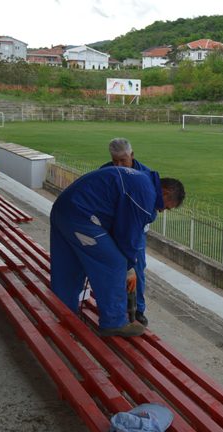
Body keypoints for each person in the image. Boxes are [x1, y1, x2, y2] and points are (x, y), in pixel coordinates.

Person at [50, 165, 185, 337]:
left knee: (69, 265)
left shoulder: (141, 179)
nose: (161, 211)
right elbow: (127, 236)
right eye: (166, 207)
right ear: (165, 192)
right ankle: (113, 322)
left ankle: (64, 311)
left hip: (63, 209)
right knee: (114, 263)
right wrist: (130, 267)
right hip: (82, 217)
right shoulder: (146, 194)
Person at [100, 138, 153, 326]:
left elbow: (150, 210)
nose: (119, 165)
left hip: (135, 232)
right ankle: (115, 308)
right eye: (115, 161)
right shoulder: (105, 172)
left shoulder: (146, 176)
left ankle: (138, 309)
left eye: (123, 160)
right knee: (113, 269)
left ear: (132, 155)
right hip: (111, 230)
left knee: (137, 270)